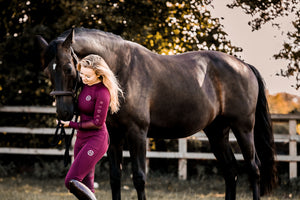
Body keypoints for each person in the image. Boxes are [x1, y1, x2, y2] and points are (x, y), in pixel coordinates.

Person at [59, 54, 123, 200]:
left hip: (96, 140)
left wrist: (71, 124)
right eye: (82, 74)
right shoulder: (85, 86)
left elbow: (97, 123)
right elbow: (82, 108)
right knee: (87, 184)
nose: (83, 78)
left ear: (99, 74)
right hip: (81, 139)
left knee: (71, 181)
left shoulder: (102, 92)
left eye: (88, 76)